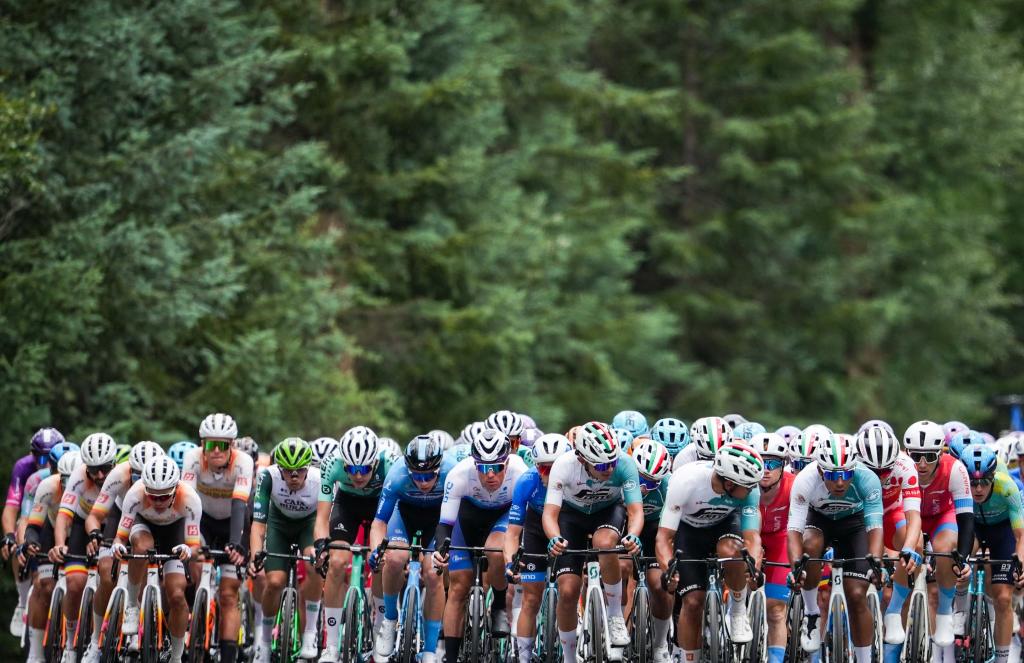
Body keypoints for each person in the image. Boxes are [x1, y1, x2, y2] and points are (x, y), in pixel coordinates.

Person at [543, 421, 644, 663]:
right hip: (572, 516)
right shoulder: (564, 466)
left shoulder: (625, 463)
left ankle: (614, 615)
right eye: (600, 465)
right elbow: (549, 514)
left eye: (612, 462)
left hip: (607, 511)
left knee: (605, 543)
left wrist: (633, 535)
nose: (608, 469)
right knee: (568, 591)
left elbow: (635, 510)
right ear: (582, 459)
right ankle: (569, 657)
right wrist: (554, 538)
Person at [656, 442, 764, 663]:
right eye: (748, 486)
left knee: (734, 551)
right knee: (693, 602)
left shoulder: (749, 490)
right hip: (689, 531)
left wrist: (753, 568)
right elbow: (664, 537)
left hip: (725, 525)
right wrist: (668, 570)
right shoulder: (685, 481)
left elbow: (752, 538)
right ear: (729, 483)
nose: (753, 490)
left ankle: (737, 610)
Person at [433, 429, 528, 663]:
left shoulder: (520, 473)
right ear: (474, 464)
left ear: (507, 462)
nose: (490, 475)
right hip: (467, 520)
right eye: (483, 468)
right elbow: (445, 524)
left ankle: (498, 605)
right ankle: (451, 657)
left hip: (503, 518)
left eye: (497, 467)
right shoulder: (459, 475)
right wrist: (440, 550)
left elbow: (524, 523)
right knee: (458, 588)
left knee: (494, 549)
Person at [787, 432, 883, 663]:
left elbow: (875, 526)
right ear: (821, 471)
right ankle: (812, 613)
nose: (840, 483)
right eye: (832, 475)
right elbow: (794, 530)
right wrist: (796, 568)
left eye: (847, 474)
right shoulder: (805, 479)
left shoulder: (867, 479)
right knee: (810, 545)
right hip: (819, 521)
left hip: (854, 524)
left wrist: (877, 563)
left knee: (857, 594)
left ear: (854, 469)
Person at [369, 435, 455, 663]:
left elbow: (459, 518)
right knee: (394, 558)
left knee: (433, 574)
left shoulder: (452, 472)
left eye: (429, 476)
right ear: (408, 470)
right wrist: (376, 550)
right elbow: (379, 522)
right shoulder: (397, 475)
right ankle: (389, 620)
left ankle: (429, 650)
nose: (423, 482)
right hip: (404, 515)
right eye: (417, 476)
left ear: (439, 469)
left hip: (438, 520)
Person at [313, 426, 393, 663]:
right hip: (347, 505)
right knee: (337, 562)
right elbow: (321, 518)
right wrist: (320, 545)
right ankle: (331, 646)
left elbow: (396, 510)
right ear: (343, 464)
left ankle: (380, 631)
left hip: (380, 505)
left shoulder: (390, 462)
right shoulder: (331, 463)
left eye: (364, 469)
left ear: (375, 463)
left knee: (380, 562)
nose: (358, 476)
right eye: (351, 469)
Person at [80, 441, 165, 663]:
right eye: (137, 476)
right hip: (122, 514)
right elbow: (95, 516)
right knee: (106, 572)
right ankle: (95, 641)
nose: (142, 482)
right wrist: (95, 534)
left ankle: (143, 622)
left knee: (148, 562)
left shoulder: (167, 478)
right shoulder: (118, 475)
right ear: (129, 470)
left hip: (154, 517)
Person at [113, 455, 203, 663]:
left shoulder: (190, 499)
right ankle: (133, 605)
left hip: (175, 532)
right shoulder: (134, 494)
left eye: (164, 497)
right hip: (144, 525)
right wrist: (117, 545)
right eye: (153, 497)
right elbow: (120, 536)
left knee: (177, 596)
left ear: (176, 489)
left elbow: (194, 545)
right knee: (142, 547)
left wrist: (187, 549)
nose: (158, 502)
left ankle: (176, 657)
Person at [181, 412, 254, 663]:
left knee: (228, 594)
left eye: (222, 445)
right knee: (193, 568)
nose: (215, 451)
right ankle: (193, 623)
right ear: (202, 444)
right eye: (210, 444)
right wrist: (192, 544)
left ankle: (228, 655)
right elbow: (187, 502)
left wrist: (235, 543)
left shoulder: (243, 462)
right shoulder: (192, 459)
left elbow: (240, 505)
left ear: (231, 445)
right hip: (202, 521)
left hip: (233, 524)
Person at [902, 420, 973, 653]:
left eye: (930, 457)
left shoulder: (955, 469)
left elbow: (966, 518)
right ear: (906, 452)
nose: (922, 464)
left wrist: (962, 558)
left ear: (941, 454)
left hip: (942, 517)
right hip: (908, 517)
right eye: (915, 456)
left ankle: (944, 612)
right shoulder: (899, 466)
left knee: (945, 548)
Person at [251, 439, 323, 663]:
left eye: (299, 471)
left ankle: (310, 633)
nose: (294, 477)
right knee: (274, 582)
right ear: (278, 468)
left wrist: (321, 549)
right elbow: (258, 524)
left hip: (308, 525)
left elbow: (323, 520)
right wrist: (256, 555)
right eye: (288, 471)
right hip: (278, 524)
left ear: (308, 468)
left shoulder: (320, 479)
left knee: (314, 564)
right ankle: (263, 643)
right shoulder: (267, 476)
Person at [51, 432, 118, 661]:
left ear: (114, 463)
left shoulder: (121, 476)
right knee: (74, 582)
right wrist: (60, 545)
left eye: (105, 469)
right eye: (94, 470)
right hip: (83, 524)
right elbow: (63, 515)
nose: (100, 475)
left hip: (114, 526)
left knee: (114, 576)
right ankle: (70, 644)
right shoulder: (78, 477)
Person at [503, 433, 570, 663]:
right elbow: (512, 533)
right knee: (531, 598)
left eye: (553, 468)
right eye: (542, 468)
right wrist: (510, 563)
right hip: (535, 530)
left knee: (570, 589)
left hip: (567, 527)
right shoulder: (527, 481)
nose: (547, 474)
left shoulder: (574, 479)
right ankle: (523, 657)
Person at [855, 424, 922, 650]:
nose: (880, 477)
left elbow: (913, 516)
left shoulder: (906, 464)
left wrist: (909, 548)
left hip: (891, 513)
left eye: (885, 471)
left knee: (917, 544)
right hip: (858, 516)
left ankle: (893, 611)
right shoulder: (850, 463)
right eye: (873, 472)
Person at [960, 443, 1024, 663]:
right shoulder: (957, 486)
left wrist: (1021, 563)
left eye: (985, 482)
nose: (978, 489)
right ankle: (958, 612)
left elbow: (1020, 536)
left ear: (994, 477)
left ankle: (1002, 660)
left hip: (1003, 532)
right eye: (973, 482)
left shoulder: (1008, 487)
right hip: (973, 529)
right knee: (957, 563)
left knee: (1004, 598)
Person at [22, 450, 81, 663]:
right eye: (65, 481)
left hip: (79, 532)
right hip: (51, 529)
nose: (70, 486)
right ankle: (35, 652)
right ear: (57, 476)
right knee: (44, 585)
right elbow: (33, 526)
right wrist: (31, 542)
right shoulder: (47, 487)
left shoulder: (92, 487)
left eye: (74, 481)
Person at [3, 427, 63, 635]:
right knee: (17, 536)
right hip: (31, 514)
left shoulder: (69, 466)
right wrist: (11, 539)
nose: (45, 463)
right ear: (32, 454)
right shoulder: (24, 468)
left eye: (50, 458)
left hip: (57, 514)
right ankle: (22, 601)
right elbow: (12, 508)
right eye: (40, 457)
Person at [629, 439, 675, 663]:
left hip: (655, 530)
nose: (644, 488)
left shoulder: (668, 484)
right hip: (626, 525)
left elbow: (671, 527)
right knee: (623, 575)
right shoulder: (623, 475)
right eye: (641, 480)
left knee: (659, 585)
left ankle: (660, 644)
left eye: (652, 483)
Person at [751, 432, 795, 663]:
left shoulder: (794, 485)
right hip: (749, 536)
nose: (766, 470)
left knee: (776, 608)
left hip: (781, 539)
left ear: (783, 466)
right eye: (761, 462)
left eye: (773, 464)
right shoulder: (742, 482)